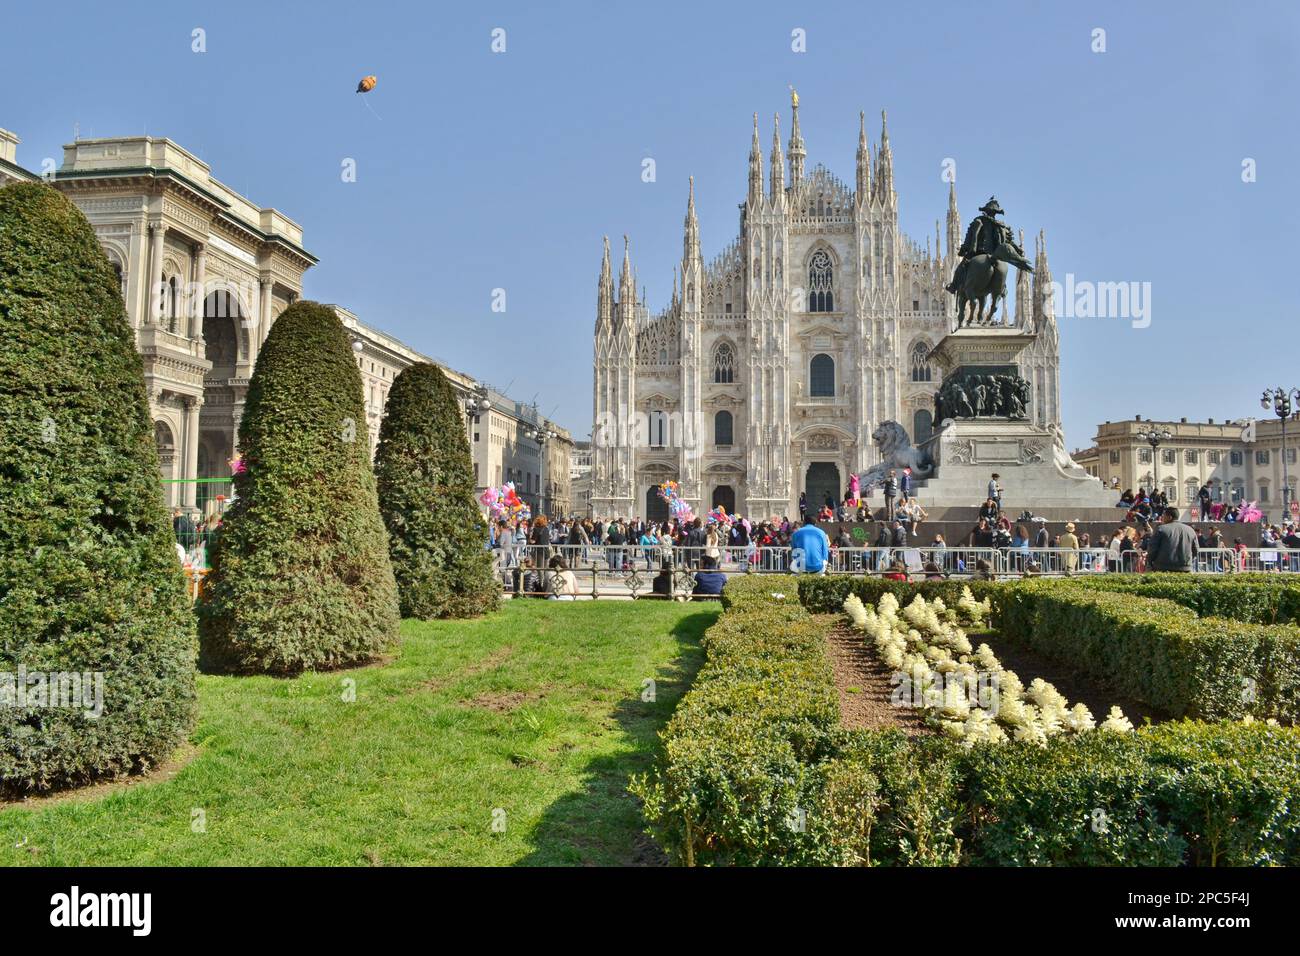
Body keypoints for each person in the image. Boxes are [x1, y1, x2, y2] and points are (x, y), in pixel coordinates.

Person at [1146, 506, 1199, 572]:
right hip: (1185, 568)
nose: (1162, 518)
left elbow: (1152, 549)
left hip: (1163, 567)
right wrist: (1188, 562)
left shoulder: (1161, 529)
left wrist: (1150, 562)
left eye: (1164, 516)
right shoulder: (1190, 530)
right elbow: (1196, 550)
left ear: (1169, 517)